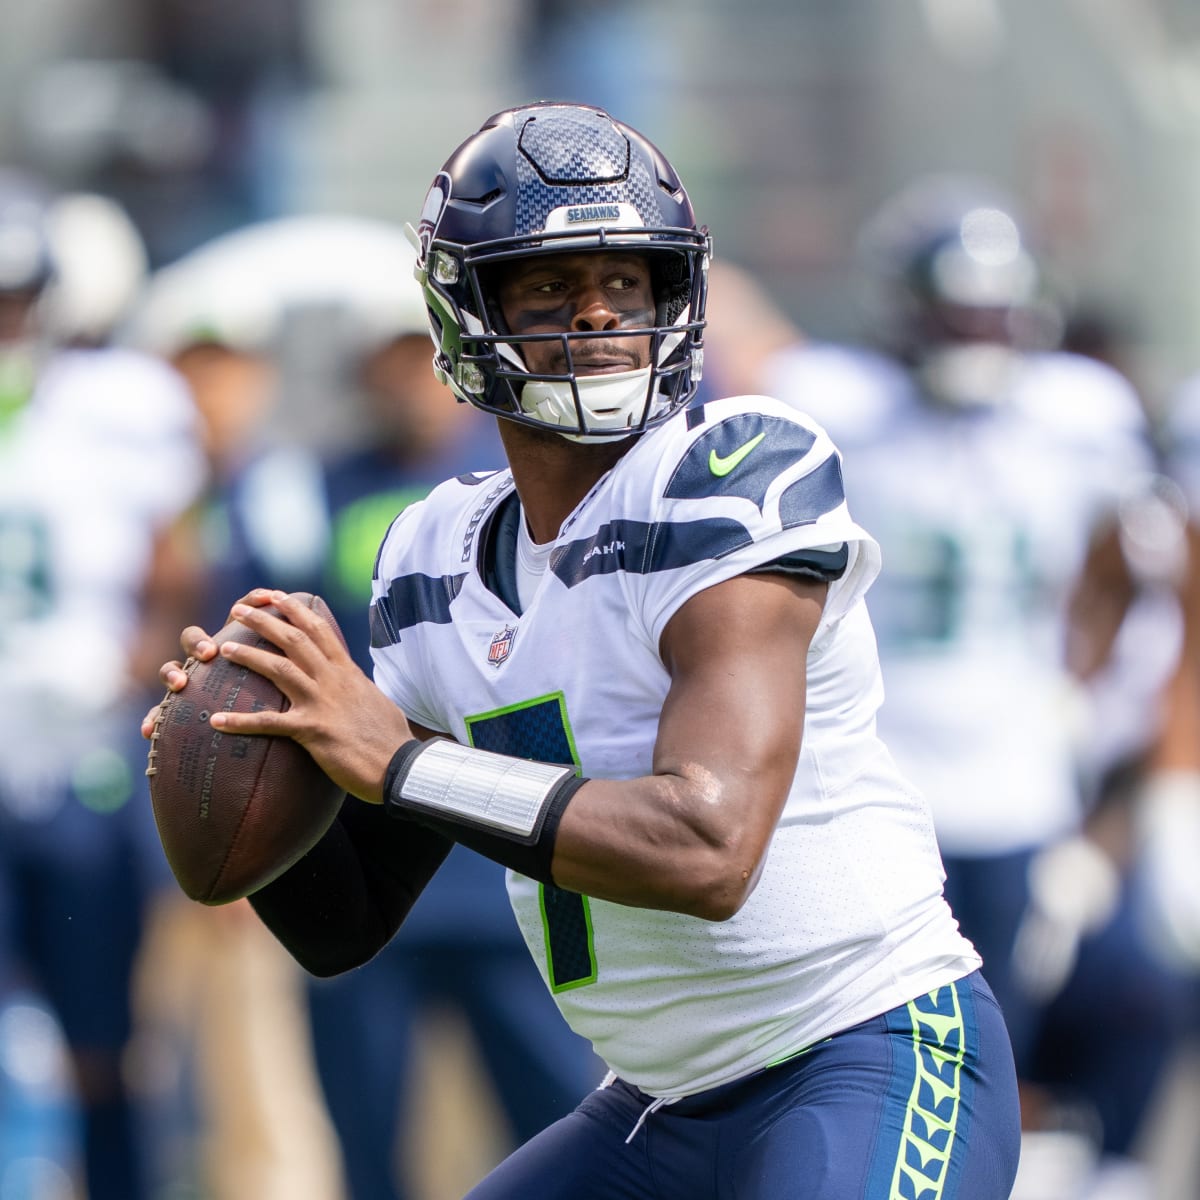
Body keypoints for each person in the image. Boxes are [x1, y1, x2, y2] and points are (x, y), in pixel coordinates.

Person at [144, 102, 1021, 1200]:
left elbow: (709, 848)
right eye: (552, 287)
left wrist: (399, 760)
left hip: (858, 1050)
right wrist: (244, 756)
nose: (600, 315)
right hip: (657, 1105)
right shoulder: (433, 558)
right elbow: (344, 925)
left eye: (629, 282)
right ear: (469, 310)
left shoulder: (738, 469)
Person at [761, 175, 1189, 1193]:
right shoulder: (838, 408)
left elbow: (1137, 568)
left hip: (1015, 785)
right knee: (875, 1041)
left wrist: (1091, 696)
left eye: (990, 312)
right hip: (874, 780)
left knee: (1000, 1036)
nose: (974, 335)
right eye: (954, 312)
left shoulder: (1076, 418)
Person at [0, 167, 206, 1200]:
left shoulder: (119, 407)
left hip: (81, 769)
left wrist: (118, 666)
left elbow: (177, 581)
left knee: (101, 1046)